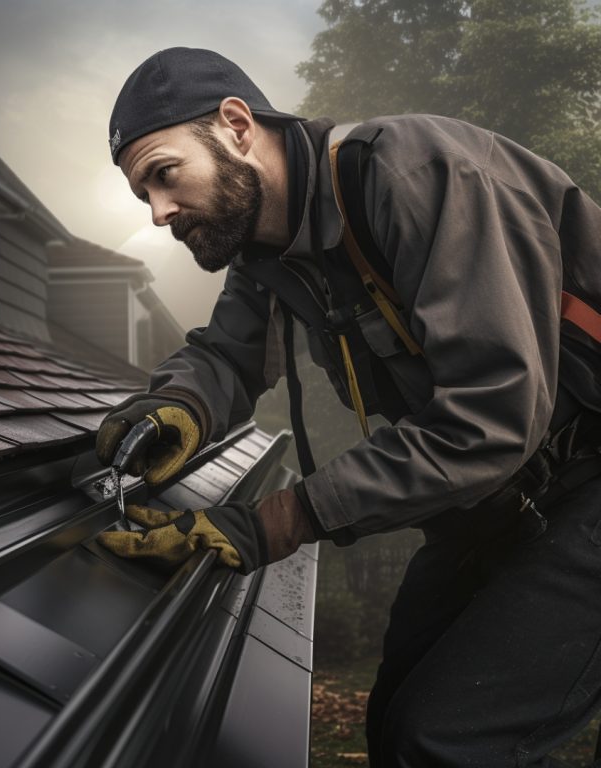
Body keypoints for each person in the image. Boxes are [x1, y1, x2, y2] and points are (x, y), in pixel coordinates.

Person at [95, 47, 601, 766]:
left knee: (444, 740)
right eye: (142, 194)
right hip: (497, 498)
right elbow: (229, 354)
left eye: (164, 175)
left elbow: (492, 417)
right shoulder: (270, 248)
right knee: (395, 723)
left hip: (582, 474)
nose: (158, 213)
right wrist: (170, 409)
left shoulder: (417, 176)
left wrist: (281, 518)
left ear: (236, 125)